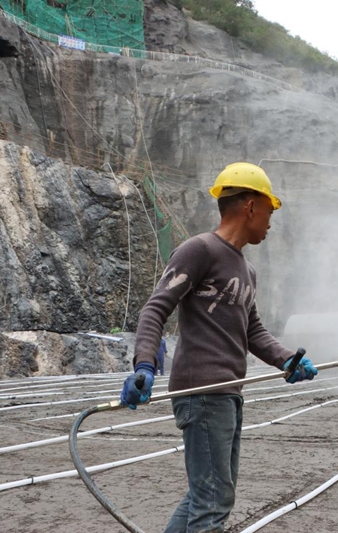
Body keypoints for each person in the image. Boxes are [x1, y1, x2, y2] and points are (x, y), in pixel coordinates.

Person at [120, 162, 318, 532]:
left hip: (227, 394)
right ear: (250, 206)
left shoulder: (247, 270)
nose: (272, 221)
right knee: (214, 501)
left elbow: (252, 329)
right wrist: (144, 365)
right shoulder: (200, 250)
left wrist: (286, 360)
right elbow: (156, 307)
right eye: (270, 209)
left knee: (205, 495)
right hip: (203, 391)